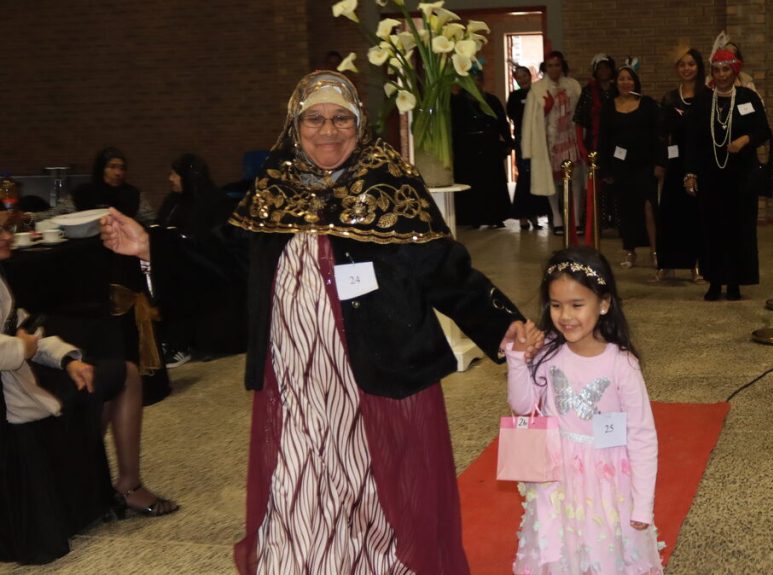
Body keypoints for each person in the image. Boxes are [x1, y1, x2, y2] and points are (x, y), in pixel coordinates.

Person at [99, 70, 535, 574]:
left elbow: (444, 269)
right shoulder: (273, 186)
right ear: (295, 124)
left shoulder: (390, 181)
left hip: (380, 371)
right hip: (296, 381)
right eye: (315, 118)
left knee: (379, 483)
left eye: (341, 118)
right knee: (300, 482)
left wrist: (505, 324)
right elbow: (224, 261)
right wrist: (150, 246)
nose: (328, 130)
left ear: (360, 123)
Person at [0, 211, 177, 564]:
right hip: (13, 395)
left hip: (20, 380)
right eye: (2, 229)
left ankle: (101, 484)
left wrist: (68, 359)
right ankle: (126, 486)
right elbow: (18, 343)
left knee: (108, 372)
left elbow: (23, 329)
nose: (9, 235)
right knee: (121, 375)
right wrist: (25, 349)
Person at [506, 246, 662, 574]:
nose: (566, 316)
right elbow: (522, 406)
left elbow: (641, 435)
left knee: (604, 554)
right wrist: (518, 358)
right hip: (555, 479)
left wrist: (642, 504)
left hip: (606, 482)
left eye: (577, 305)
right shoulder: (548, 352)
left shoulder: (621, 364)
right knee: (559, 553)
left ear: (604, 304)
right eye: (557, 305)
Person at [685, 49, 770, 301]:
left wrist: (745, 139)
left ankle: (735, 282)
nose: (721, 75)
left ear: (735, 71)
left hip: (741, 177)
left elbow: (763, 130)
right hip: (711, 177)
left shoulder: (748, 98)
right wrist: (690, 173)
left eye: (726, 70)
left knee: (739, 229)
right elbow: (692, 140)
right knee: (712, 229)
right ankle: (714, 282)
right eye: (717, 70)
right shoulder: (703, 101)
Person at [155, 153, 240, 367]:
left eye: (175, 174)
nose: (171, 179)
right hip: (181, 261)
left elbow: (218, 242)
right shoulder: (173, 201)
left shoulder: (215, 201)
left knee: (182, 282)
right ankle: (168, 339)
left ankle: (180, 343)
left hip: (211, 267)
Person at [656, 46, 710, 283]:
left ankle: (696, 265)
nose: (687, 69)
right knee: (670, 213)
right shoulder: (669, 97)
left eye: (691, 64)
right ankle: (667, 265)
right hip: (675, 161)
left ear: (698, 67)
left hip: (701, 161)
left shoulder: (708, 95)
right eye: (682, 65)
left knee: (696, 216)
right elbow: (661, 133)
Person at [599, 66, 661, 268]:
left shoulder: (648, 104)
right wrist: (606, 169)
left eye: (629, 79)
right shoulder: (609, 106)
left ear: (635, 82)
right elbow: (604, 139)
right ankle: (630, 251)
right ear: (616, 84)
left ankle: (655, 251)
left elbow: (658, 136)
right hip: (620, 167)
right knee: (626, 210)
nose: (625, 82)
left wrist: (660, 163)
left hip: (645, 165)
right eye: (621, 79)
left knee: (649, 208)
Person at [522, 51, 583, 235]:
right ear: (545, 68)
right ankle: (556, 217)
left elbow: (580, 112)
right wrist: (545, 110)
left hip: (571, 136)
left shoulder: (573, 85)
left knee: (575, 178)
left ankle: (577, 218)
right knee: (553, 180)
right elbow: (530, 119)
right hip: (549, 139)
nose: (554, 69)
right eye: (550, 65)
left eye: (557, 65)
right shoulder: (538, 89)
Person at [452, 69, 512, 228]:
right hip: (467, 149)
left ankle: (495, 216)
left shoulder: (491, 100)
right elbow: (453, 127)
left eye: (478, 80)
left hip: (489, 146)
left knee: (492, 183)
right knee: (471, 184)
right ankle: (472, 218)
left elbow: (502, 123)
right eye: (471, 80)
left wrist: (508, 142)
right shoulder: (457, 102)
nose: (475, 84)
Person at [574, 54, 617, 237]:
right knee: (596, 185)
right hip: (595, 143)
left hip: (617, 143)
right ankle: (595, 224)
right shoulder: (588, 92)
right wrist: (582, 148)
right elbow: (580, 121)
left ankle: (617, 223)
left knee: (616, 183)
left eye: (606, 67)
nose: (603, 71)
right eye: (600, 68)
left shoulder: (618, 89)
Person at [507, 65, 546, 231]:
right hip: (523, 139)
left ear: (530, 76)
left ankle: (535, 215)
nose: (522, 79)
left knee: (536, 176)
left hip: (537, 138)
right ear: (516, 79)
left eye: (525, 76)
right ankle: (523, 216)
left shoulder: (537, 92)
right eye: (519, 77)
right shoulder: (515, 96)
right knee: (524, 176)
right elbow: (512, 115)